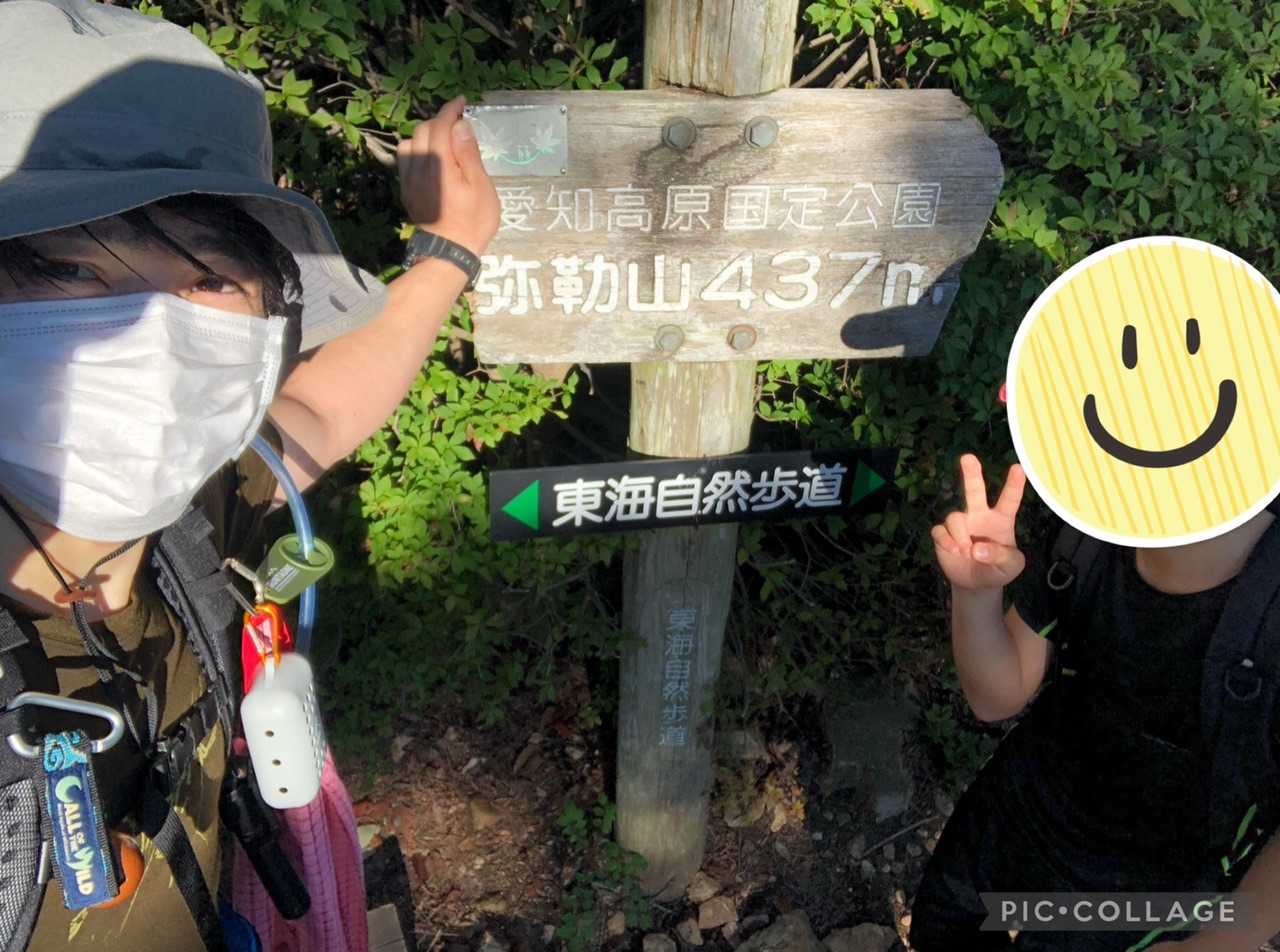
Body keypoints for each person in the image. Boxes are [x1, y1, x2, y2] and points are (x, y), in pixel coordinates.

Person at [0, 0, 499, 948]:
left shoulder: (189, 520)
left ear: (271, 319)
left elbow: (316, 417)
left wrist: (447, 253)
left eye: (208, 278)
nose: (151, 340)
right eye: (68, 271)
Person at [908, 453, 1280, 952]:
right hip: (1020, 811)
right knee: (943, 928)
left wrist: (1218, 941)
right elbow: (997, 696)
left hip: (1146, 893)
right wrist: (975, 595)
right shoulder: (1090, 535)